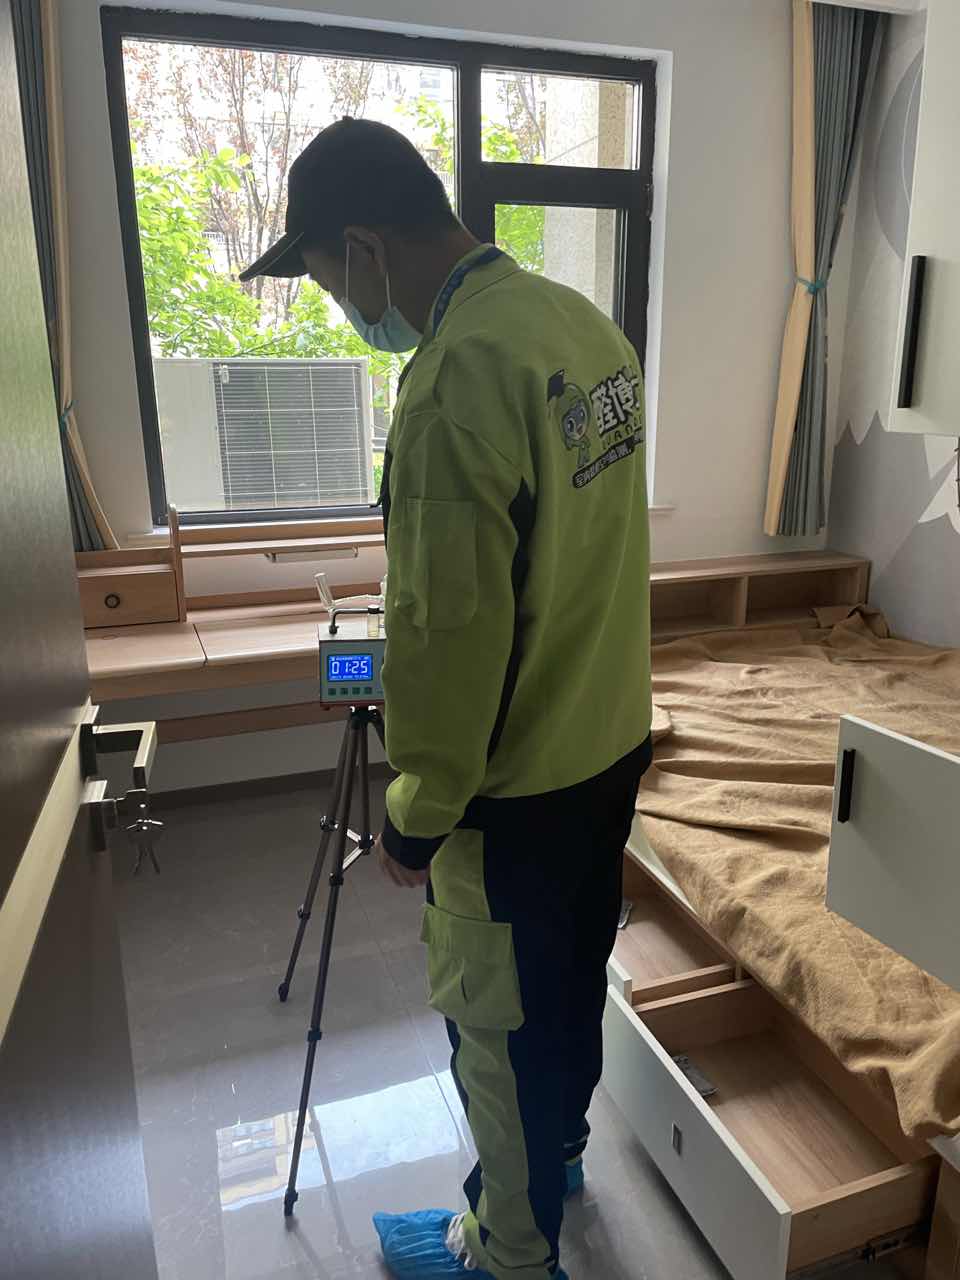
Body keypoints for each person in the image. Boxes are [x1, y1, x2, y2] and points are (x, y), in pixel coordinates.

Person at [241, 117, 652, 1280]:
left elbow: (447, 636)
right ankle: (555, 1162)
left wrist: (416, 811)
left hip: (511, 789)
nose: (342, 304)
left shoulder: (450, 384)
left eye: (329, 278)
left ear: (365, 245)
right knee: (567, 982)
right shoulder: (581, 326)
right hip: (609, 741)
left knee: (498, 1026)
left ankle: (509, 1252)